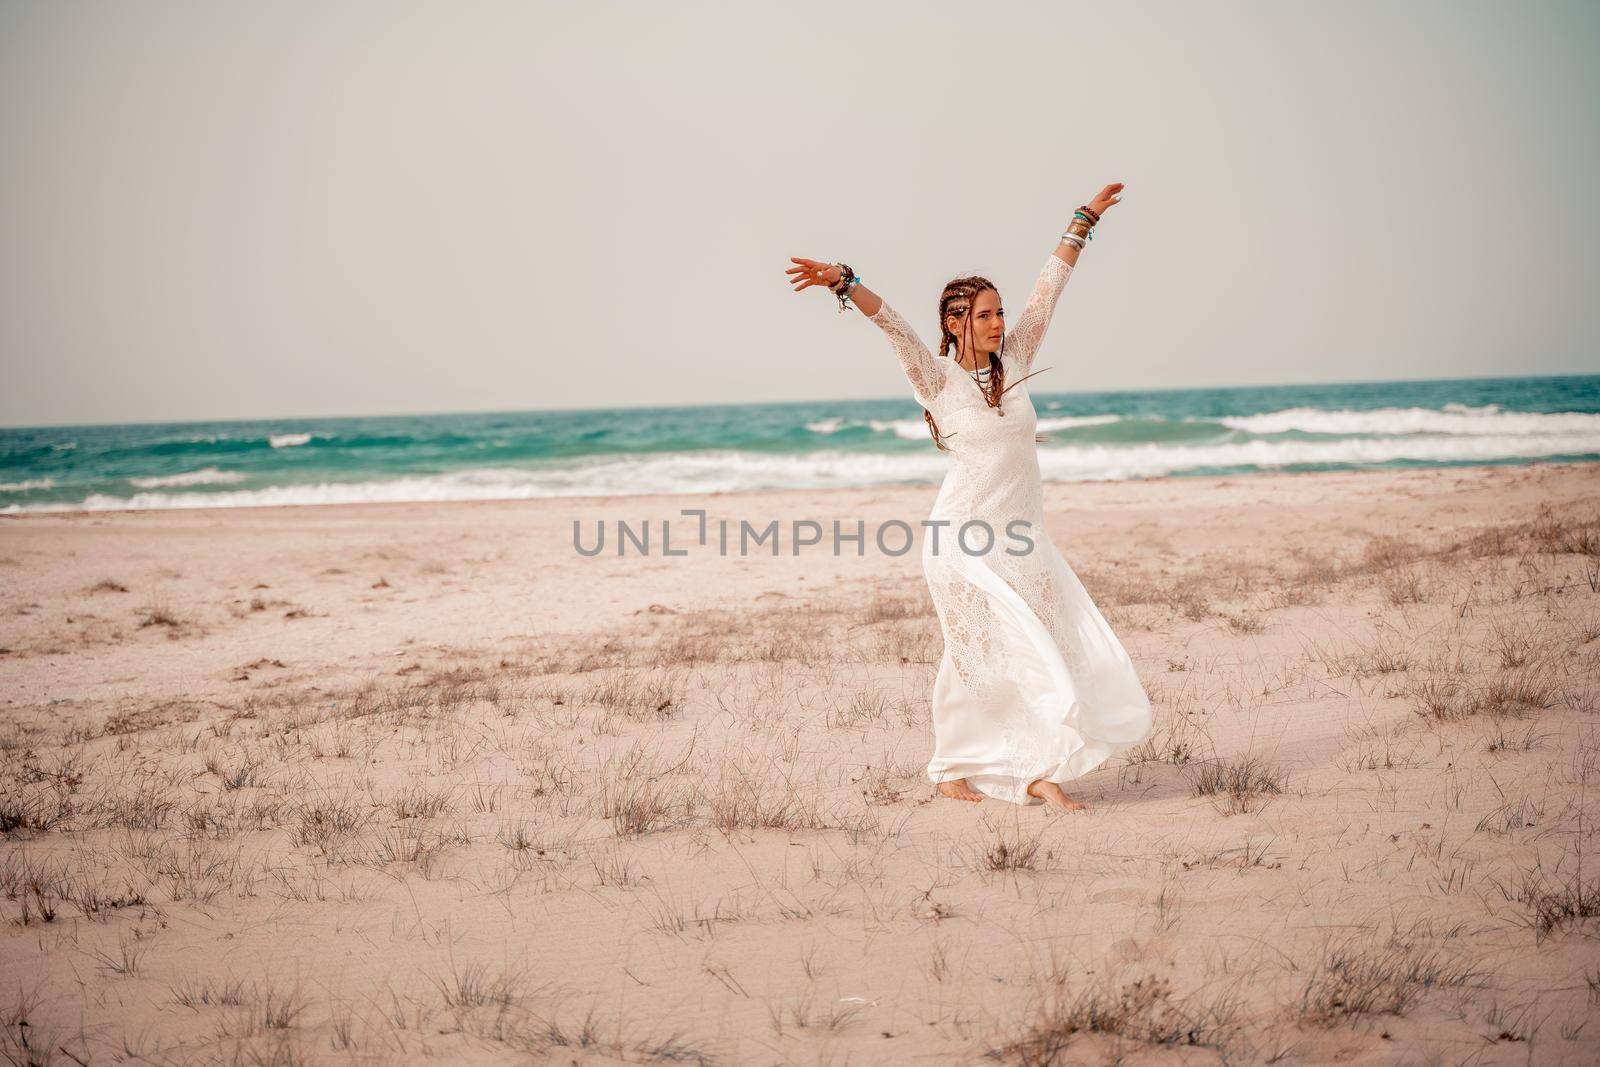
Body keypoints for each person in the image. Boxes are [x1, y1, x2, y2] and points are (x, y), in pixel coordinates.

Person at [785, 183, 1154, 810]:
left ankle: (952, 765)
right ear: (955, 324)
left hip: (1022, 540)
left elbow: (1047, 292)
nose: (998, 322)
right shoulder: (937, 378)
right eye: (984, 314)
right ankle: (1041, 773)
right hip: (961, 542)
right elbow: (892, 323)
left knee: (986, 655)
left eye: (998, 312)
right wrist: (843, 282)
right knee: (1016, 650)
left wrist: (1081, 223)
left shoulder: (1016, 359)